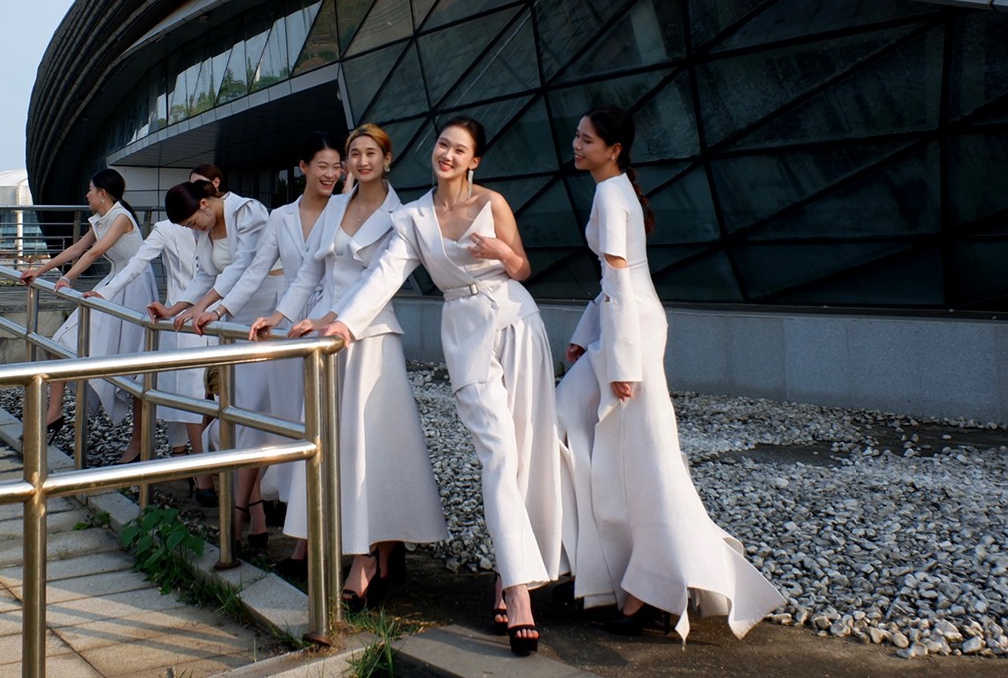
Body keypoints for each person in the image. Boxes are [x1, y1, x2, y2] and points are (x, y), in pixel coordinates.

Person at [305, 117, 562, 655]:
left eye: (459, 149)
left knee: (526, 453)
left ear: (474, 161)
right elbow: (383, 276)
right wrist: (345, 324)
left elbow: (522, 268)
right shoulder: (413, 217)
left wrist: (501, 253)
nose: (447, 154)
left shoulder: (493, 202)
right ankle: (520, 594)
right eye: (443, 144)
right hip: (464, 334)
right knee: (497, 454)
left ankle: (508, 573)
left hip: (517, 322)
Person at [557, 106, 784, 640]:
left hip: (631, 336)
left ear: (613, 150)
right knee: (591, 437)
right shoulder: (613, 191)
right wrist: (586, 333)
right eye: (577, 136)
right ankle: (616, 573)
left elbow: (621, 278)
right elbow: (617, 278)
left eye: (586, 139)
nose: (577, 145)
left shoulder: (611, 194)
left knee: (648, 459)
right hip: (625, 328)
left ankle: (647, 588)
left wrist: (621, 360)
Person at [249, 123, 447, 610]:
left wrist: (336, 320)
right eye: (353, 154)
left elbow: (382, 281)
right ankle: (362, 547)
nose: (361, 161)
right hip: (324, 335)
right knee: (330, 442)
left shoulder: (403, 215)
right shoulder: (336, 206)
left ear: (387, 159)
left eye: (370, 153)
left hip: (370, 338)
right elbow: (310, 271)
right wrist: (280, 316)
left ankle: (368, 556)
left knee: (370, 447)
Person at [198, 132, 344, 563]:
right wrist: (221, 309)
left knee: (326, 430)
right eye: (322, 166)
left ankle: (303, 540)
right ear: (303, 167)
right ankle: (257, 517)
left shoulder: (345, 209)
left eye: (337, 167)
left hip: (333, 326)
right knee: (277, 423)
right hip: (289, 328)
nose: (331, 174)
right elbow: (256, 268)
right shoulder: (281, 217)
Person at [147, 178, 277, 545]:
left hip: (265, 312)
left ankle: (247, 512)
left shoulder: (247, 211)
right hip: (232, 318)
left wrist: (211, 308)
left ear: (205, 203)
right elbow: (205, 273)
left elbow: (245, 268)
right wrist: (176, 308)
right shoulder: (206, 228)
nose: (194, 230)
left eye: (193, 223)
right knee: (238, 416)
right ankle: (252, 513)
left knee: (256, 416)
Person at [19, 168, 156, 465]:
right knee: (60, 342)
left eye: (90, 190)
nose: (87, 195)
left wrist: (67, 278)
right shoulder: (101, 219)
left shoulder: (121, 218)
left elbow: (95, 253)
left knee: (133, 366)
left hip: (133, 288)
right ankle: (54, 413)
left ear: (103, 194)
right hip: (115, 284)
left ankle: (138, 442)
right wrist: (40, 271)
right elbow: (78, 248)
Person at [82, 211, 217, 504]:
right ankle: (198, 471)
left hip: (216, 316)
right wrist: (107, 291)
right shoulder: (166, 229)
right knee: (189, 393)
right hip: (179, 322)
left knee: (207, 394)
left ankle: (189, 459)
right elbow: (137, 262)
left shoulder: (215, 225)